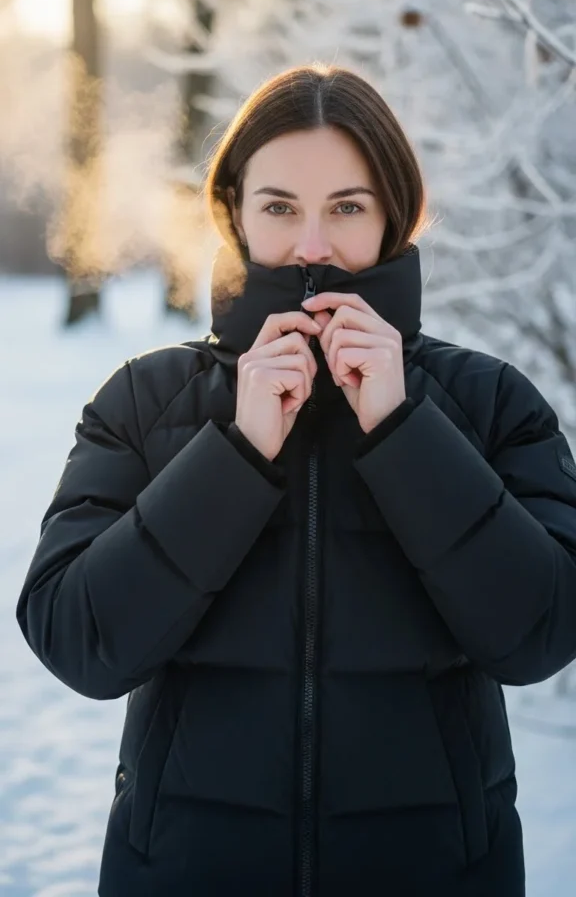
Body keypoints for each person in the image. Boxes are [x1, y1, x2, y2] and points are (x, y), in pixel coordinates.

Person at [16, 63, 576, 897]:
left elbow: (543, 632)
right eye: (279, 207)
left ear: (394, 218)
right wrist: (236, 452)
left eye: (346, 207)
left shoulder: (489, 403)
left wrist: (404, 430)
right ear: (234, 214)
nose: (312, 247)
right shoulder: (143, 400)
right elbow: (79, 641)